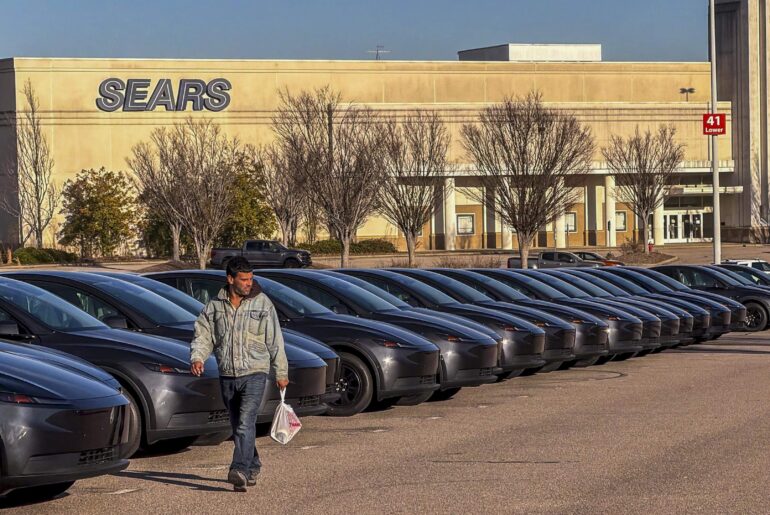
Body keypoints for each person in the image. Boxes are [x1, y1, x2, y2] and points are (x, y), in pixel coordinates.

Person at [190, 256, 289, 492]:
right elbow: (203, 335)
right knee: (238, 426)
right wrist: (197, 357)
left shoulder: (262, 303)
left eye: (250, 279)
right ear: (230, 279)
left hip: (255, 372)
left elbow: (275, 340)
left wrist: (281, 372)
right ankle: (253, 464)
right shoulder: (215, 306)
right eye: (243, 279)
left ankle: (239, 469)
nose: (248, 283)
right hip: (227, 374)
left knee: (245, 423)